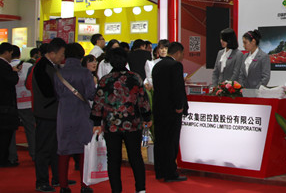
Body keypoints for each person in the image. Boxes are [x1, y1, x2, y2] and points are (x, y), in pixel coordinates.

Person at [91, 48, 152, 193]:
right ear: (126, 61)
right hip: (133, 123)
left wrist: (96, 122)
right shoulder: (135, 78)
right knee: (135, 157)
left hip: (111, 125)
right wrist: (147, 117)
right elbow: (143, 100)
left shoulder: (105, 80)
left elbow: (98, 102)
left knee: (113, 159)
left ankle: (116, 190)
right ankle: (140, 189)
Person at [54, 43, 96, 193]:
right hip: (82, 114)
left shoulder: (58, 73)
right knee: (84, 150)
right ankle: (84, 185)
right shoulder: (85, 73)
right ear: (81, 56)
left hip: (64, 113)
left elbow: (57, 94)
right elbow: (91, 94)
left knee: (63, 151)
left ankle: (63, 186)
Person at [32, 38, 67, 193]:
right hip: (46, 113)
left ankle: (57, 177)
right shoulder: (42, 67)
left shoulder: (50, 66)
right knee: (44, 149)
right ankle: (42, 181)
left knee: (55, 148)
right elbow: (47, 92)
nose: (62, 57)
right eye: (61, 54)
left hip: (53, 113)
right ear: (52, 53)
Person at [152, 41, 188, 182]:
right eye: (182, 53)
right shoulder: (176, 65)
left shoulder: (158, 65)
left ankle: (160, 171)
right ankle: (170, 173)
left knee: (160, 141)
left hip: (159, 108)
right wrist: (179, 106)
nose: (183, 56)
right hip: (172, 110)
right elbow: (177, 88)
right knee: (171, 142)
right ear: (178, 53)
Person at [13, 46, 36, 163]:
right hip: (28, 102)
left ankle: (12, 156)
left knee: (10, 132)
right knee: (31, 130)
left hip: (12, 103)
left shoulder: (6, 66)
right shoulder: (28, 66)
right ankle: (34, 154)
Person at [0, 42, 19, 168]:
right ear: (6, 52)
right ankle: (3, 159)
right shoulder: (4, 66)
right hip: (6, 105)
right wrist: (14, 72)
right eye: (11, 54)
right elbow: (12, 81)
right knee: (5, 135)